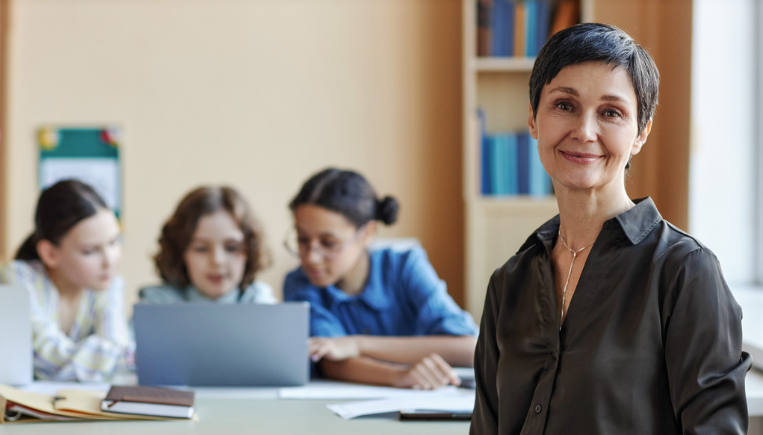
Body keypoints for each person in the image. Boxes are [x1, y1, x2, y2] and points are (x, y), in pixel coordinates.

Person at [470, 23, 751, 434]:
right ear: (533, 118)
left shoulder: (686, 272)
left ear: (641, 132)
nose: (584, 131)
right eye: (564, 105)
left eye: (610, 112)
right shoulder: (508, 284)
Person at [283, 168, 478, 389]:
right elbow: (330, 361)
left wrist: (356, 345)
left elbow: (469, 348)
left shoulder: (405, 266)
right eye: (302, 239)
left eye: (329, 243)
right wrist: (398, 376)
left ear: (367, 233)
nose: (311, 257)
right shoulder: (299, 283)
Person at [0, 180, 133, 382]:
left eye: (114, 242)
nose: (109, 261)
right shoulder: (18, 278)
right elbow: (46, 361)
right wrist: (118, 357)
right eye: (90, 251)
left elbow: (119, 350)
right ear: (50, 253)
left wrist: (117, 357)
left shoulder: (108, 284)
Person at [140, 186, 276, 304]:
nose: (217, 261)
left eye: (232, 248)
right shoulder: (157, 304)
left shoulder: (260, 301)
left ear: (249, 251)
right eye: (201, 249)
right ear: (180, 252)